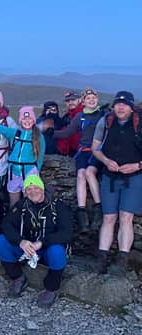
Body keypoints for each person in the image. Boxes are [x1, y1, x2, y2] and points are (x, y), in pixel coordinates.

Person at [0, 175, 72, 308]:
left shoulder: (57, 206)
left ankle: (51, 289)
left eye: (36, 187)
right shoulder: (22, 205)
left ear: (42, 188)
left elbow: (66, 232)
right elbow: (6, 224)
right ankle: (17, 277)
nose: (33, 191)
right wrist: (20, 242)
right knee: (1, 241)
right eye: (28, 189)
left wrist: (42, 242)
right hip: (27, 249)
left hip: (47, 249)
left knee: (57, 251)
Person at [92, 91, 142, 275]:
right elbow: (95, 148)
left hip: (134, 177)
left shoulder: (139, 123)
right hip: (110, 177)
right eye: (117, 104)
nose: (120, 107)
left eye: (124, 104)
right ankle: (102, 257)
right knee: (108, 218)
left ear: (131, 106)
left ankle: (122, 258)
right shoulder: (105, 121)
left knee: (126, 217)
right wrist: (106, 161)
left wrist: (137, 165)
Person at [52, 87, 104, 232]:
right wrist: (50, 133)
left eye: (93, 98)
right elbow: (67, 133)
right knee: (80, 174)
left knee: (89, 173)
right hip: (83, 152)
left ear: (97, 99)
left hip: (98, 152)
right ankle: (82, 213)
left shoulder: (103, 115)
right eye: (88, 98)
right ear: (84, 101)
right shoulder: (80, 117)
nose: (91, 100)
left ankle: (98, 207)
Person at [0, 106, 45, 208]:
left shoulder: (39, 136)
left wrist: (37, 171)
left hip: (30, 172)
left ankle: (29, 221)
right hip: (13, 172)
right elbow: (1, 128)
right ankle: (13, 220)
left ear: (34, 120)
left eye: (30, 118)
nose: (27, 121)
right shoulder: (15, 133)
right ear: (20, 120)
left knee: (30, 200)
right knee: (13, 203)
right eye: (24, 119)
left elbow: (40, 157)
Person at [57, 90, 83, 156]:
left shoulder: (84, 114)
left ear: (79, 100)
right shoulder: (67, 116)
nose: (70, 102)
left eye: (73, 100)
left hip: (82, 151)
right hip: (71, 151)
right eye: (68, 101)